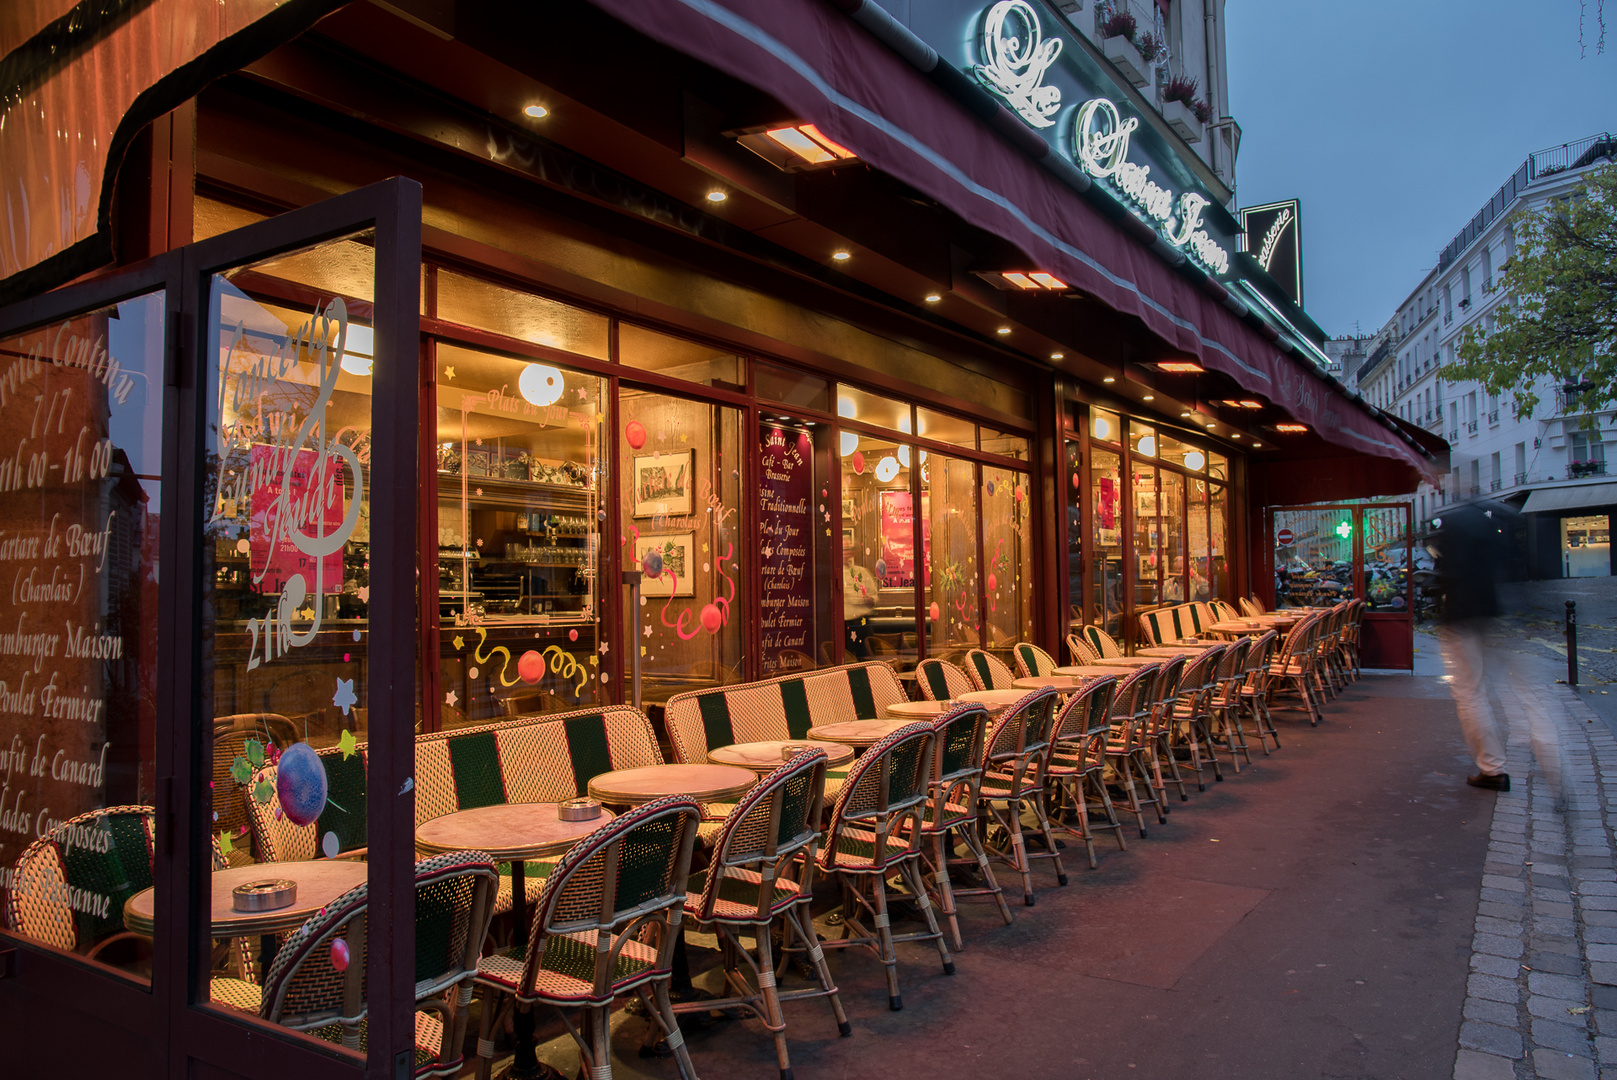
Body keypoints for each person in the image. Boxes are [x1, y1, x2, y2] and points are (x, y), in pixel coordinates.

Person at [1428, 500, 1514, 791]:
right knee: (1479, 692)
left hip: (1461, 617)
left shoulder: (1455, 531)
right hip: (1485, 614)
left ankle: (1492, 767)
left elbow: (1447, 573)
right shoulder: (1486, 530)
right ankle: (1493, 764)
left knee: (1470, 696)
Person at [842, 548, 879, 660]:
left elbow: (874, 598)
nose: (846, 552)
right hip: (845, 624)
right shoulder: (836, 574)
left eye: (848, 549)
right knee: (848, 659)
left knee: (868, 658)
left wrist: (869, 600)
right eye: (843, 549)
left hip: (863, 623)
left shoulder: (861, 572)